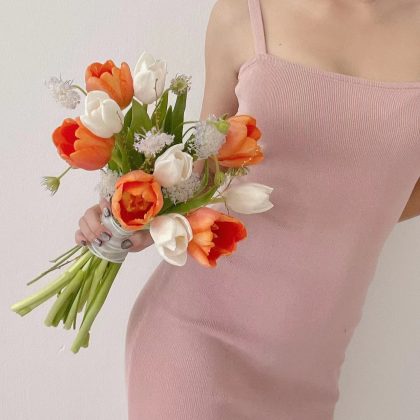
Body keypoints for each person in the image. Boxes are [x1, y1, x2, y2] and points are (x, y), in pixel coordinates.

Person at [75, 0, 420, 418]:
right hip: (197, 337)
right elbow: (203, 171)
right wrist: (137, 215)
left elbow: (396, 197)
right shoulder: (243, 12)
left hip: (310, 371)